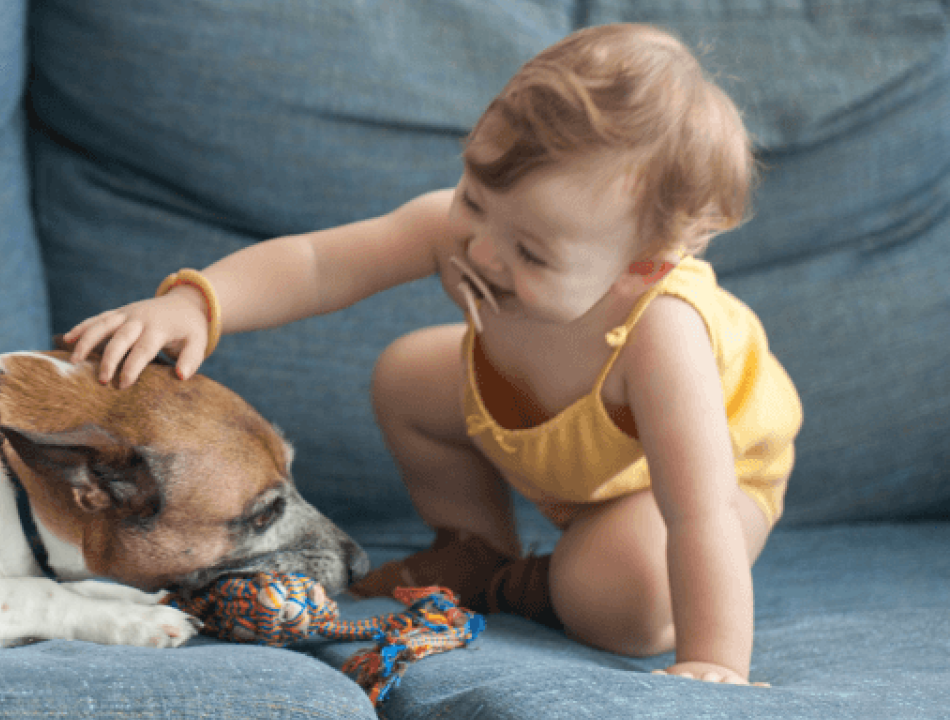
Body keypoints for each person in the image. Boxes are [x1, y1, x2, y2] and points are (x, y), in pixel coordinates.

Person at [64, 23, 800, 686]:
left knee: (623, 596)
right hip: (562, 442)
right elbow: (322, 264)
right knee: (410, 375)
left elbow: (697, 514)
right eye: (475, 197)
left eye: (532, 253)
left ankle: (531, 585)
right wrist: (197, 303)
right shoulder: (469, 234)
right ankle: (473, 546)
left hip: (698, 485)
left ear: (641, 267)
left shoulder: (663, 334)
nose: (478, 250)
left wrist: (714, 660)